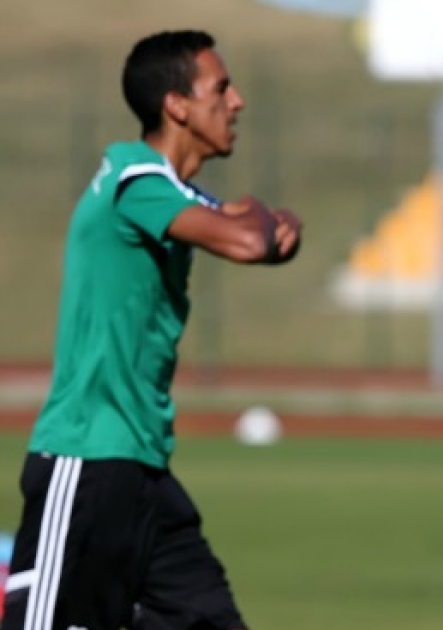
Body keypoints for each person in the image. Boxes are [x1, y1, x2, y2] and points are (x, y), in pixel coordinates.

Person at [2, 30, 301, 630]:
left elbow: (275, 236)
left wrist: (265, 222)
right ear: (177, 105)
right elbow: (252, 240)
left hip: (143, 474)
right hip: (85, 460)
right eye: (221, 88)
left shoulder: (171, 194)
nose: (237, 101)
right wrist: (259, 217)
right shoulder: (134, 178)